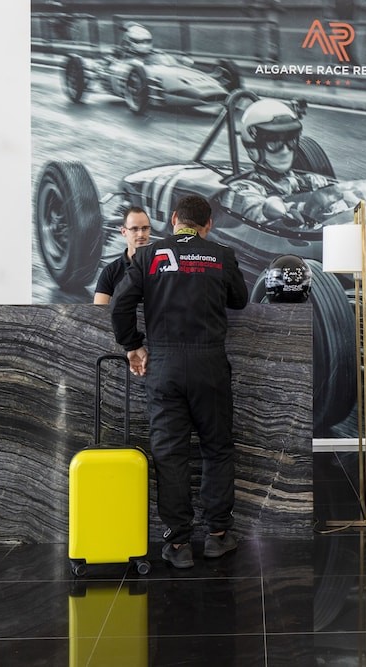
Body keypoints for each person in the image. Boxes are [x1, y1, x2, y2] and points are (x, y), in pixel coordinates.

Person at [111, 194, 249, 569]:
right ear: (208, 225)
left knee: (170, 454)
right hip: (209, 365)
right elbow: (239, 300)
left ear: (174, 219)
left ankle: (178, 543)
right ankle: (218, 535)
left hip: (164, 366)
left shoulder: (147, 256)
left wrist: (132, 345)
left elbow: (120, 305)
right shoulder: (221, 254)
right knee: (217, 448)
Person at [220, 98, 330, 225]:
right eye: (273, 143)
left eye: (291, 141)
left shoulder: (308, 181)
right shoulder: (242, 190)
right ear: (253, 150)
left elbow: (336, 195)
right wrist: (298, 208)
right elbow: (256, 212)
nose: (285, 151)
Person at [93, 207, 151, 304]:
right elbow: (98, 309)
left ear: (149, 230)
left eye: (145, 228)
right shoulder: (110, 272)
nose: (141, 234)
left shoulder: (162, 268)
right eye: (134, 229)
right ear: (124, 232)